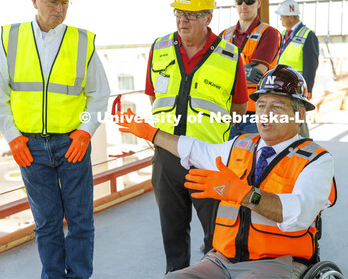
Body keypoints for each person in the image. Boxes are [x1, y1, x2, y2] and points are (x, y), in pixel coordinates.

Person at [117, 65, 336, 278]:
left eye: (277, 107)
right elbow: (194, 149)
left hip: (277, 262)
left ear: (298, 115)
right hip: (221, 260)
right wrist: (151, 133)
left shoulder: (316, 160)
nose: (265, 114)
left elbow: (300, 213)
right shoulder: (239, 145)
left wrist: (245, 194)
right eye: (261, 105)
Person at [0, 0, 110, 279]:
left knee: (81, 220)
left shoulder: (82, 41)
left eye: (65, 3)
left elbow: (100, 94)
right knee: (46, 223)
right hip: (30, 146)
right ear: (34, 0)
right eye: (53, 2)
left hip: (72, 144)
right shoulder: (10, 39)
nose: (59, 9)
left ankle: (79, 276)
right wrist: (12, 136)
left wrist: (85, 132)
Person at [143, 0, 248, 273]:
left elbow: (239, 107)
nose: (183, 20)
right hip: (166, 157)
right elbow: (152, 94)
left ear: (208, 18)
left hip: (208, 159)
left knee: (216, 238)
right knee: (172, 234)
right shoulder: (159, 47)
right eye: (179, 13)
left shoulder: (229, 56)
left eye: (191, 15)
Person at [221, 0, 281, 139]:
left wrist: (222, 76)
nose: (243, 6)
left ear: (259, 2)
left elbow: (255, 74)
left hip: (255, 115)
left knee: (254, 163)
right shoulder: (224, 35)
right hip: (227, 114)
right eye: (239, 1)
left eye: (249, 1)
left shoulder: (269, 34)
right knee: (225, 163)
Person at [275, 0, 320, 138]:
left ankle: (306, 149)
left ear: (291, 17)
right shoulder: (284, 34)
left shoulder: (308, 35)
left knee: (299, 121)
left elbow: (311, 65)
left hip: (297, 88)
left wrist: (308, 90)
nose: (280, 18)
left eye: (282, 15)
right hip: (281, 86)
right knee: (285, 119)